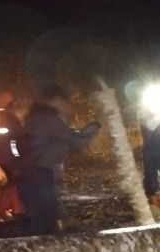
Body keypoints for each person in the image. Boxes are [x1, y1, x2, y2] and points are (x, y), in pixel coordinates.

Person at [18, 84, 100, 235]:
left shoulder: (34, 116)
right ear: (56, 100)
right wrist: (93, 128)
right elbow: (76, 140)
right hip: (41, 173)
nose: (67, 106)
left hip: (31, 173)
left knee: (43, 217)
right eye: (65, 102)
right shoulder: (49, 118)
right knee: (44, 222)